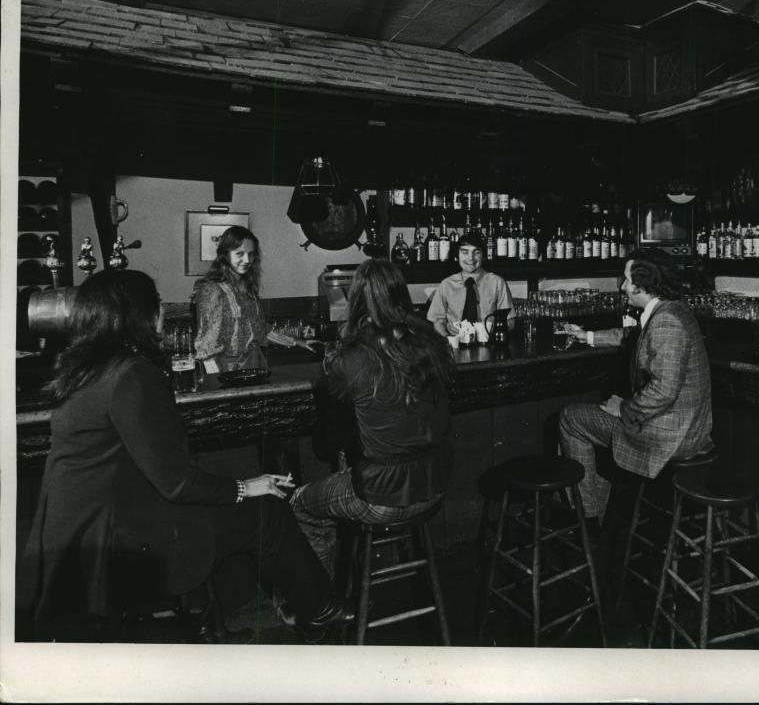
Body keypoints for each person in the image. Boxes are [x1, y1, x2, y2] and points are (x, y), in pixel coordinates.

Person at [15, 269, 353, 642]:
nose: (162, 312)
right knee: (266, 511)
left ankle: (234, 617)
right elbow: (175, 482)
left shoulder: (83, 370)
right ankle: (319, 610)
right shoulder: (132, 374)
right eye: (156, 304)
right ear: (136, 315)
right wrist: (245, 487)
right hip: (120, 546)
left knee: (228, 511)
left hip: (77, 542)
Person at [290, 259, 454, 577]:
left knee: (299, 504)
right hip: (435, 485)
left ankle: (317, 608)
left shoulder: (351, 359)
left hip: (383, 495)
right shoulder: (432, 343)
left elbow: (328, 444)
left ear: (357, 300)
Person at [559, 248, 713, 528]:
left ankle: (588, 521)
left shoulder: (667, 321)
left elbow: (664, 390)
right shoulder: (672, 309)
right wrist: (588, 336)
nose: (622, 287)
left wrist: (624, 408)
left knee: (572, 418)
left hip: (671, 436)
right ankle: (596, 511)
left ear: (643, 285)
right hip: (687, 427)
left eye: (626, 280)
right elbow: (636, 336)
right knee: (596, 421)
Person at [193, 225, 313, 374]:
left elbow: (262, 331)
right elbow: (206, 347)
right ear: (225, 254)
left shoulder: (248, 287)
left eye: (250, 254)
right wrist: (216, 384)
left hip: (255, 365)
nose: (246, 260)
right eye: (239, 254)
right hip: (227, 370)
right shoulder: (212, 290)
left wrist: (298, 342)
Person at [426, 232, 514, 337]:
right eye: (465, 252)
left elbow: (510, 322)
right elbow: (438, 322)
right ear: (457, 256)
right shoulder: (446, 285)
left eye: (476, 252)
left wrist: (490, 331)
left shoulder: (497, 283)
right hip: (455, 346)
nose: (470, 258)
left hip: (489, 345)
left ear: (483, 256)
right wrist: (447, 337)